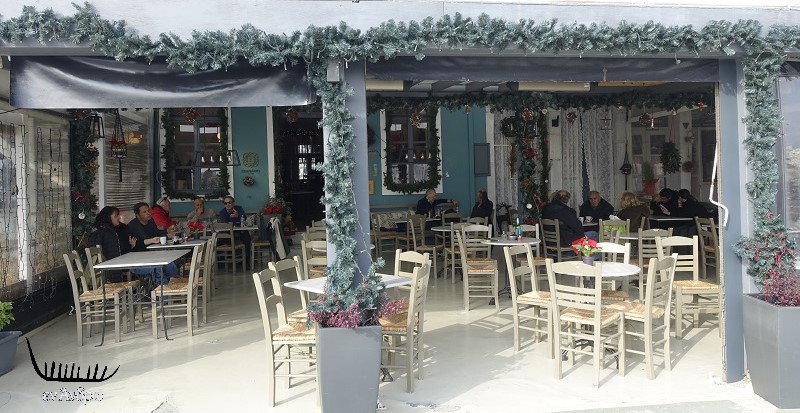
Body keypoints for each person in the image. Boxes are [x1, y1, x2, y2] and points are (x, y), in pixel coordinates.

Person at [117, 202, 179, 285]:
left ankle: (174, 283)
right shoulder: (134, 225)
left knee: (168, 262)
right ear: (137, 215)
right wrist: (166, 236)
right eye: (144, 212)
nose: (148, 213)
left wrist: (167, 231)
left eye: (148, 211)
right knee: (159, 266)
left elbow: (156, 233)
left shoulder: (151, 221)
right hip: (139, 257)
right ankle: (162, 288)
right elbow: (146, 239)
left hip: (151, 254)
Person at [219, 195, 251, 260]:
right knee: (220, 241)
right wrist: (235, 221)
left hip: (240, 231)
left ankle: (246, 261)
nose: (228, 205)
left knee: (247, 238)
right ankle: (229, 261)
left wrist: (237, 216)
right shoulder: (222, 212)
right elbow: (225, 223)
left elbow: (244, 218)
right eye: (225, 203)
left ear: (233, 203)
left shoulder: (239, 209)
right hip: (228, 233)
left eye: (229, 202)